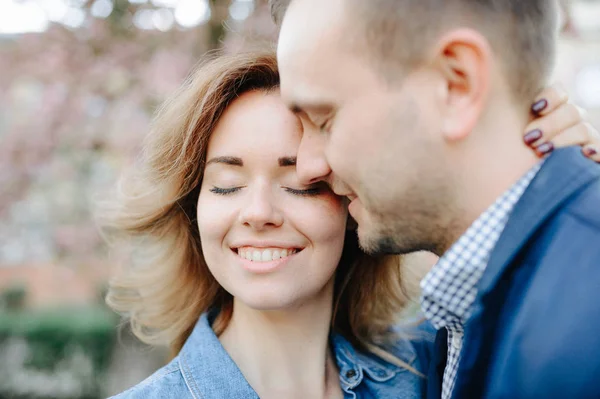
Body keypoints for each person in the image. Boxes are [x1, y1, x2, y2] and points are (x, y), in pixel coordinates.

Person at [100, 47, 595, 398]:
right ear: (194, 212)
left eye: (301, 185)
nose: (258, 214)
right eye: (226, 185)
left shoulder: (438, 370)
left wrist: (554, 162)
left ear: (353, 202)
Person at [271, 0, 600, 398]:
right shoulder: (455, 326)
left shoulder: (582, 320)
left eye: (324, 119)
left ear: (456, 83)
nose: (306, 167)